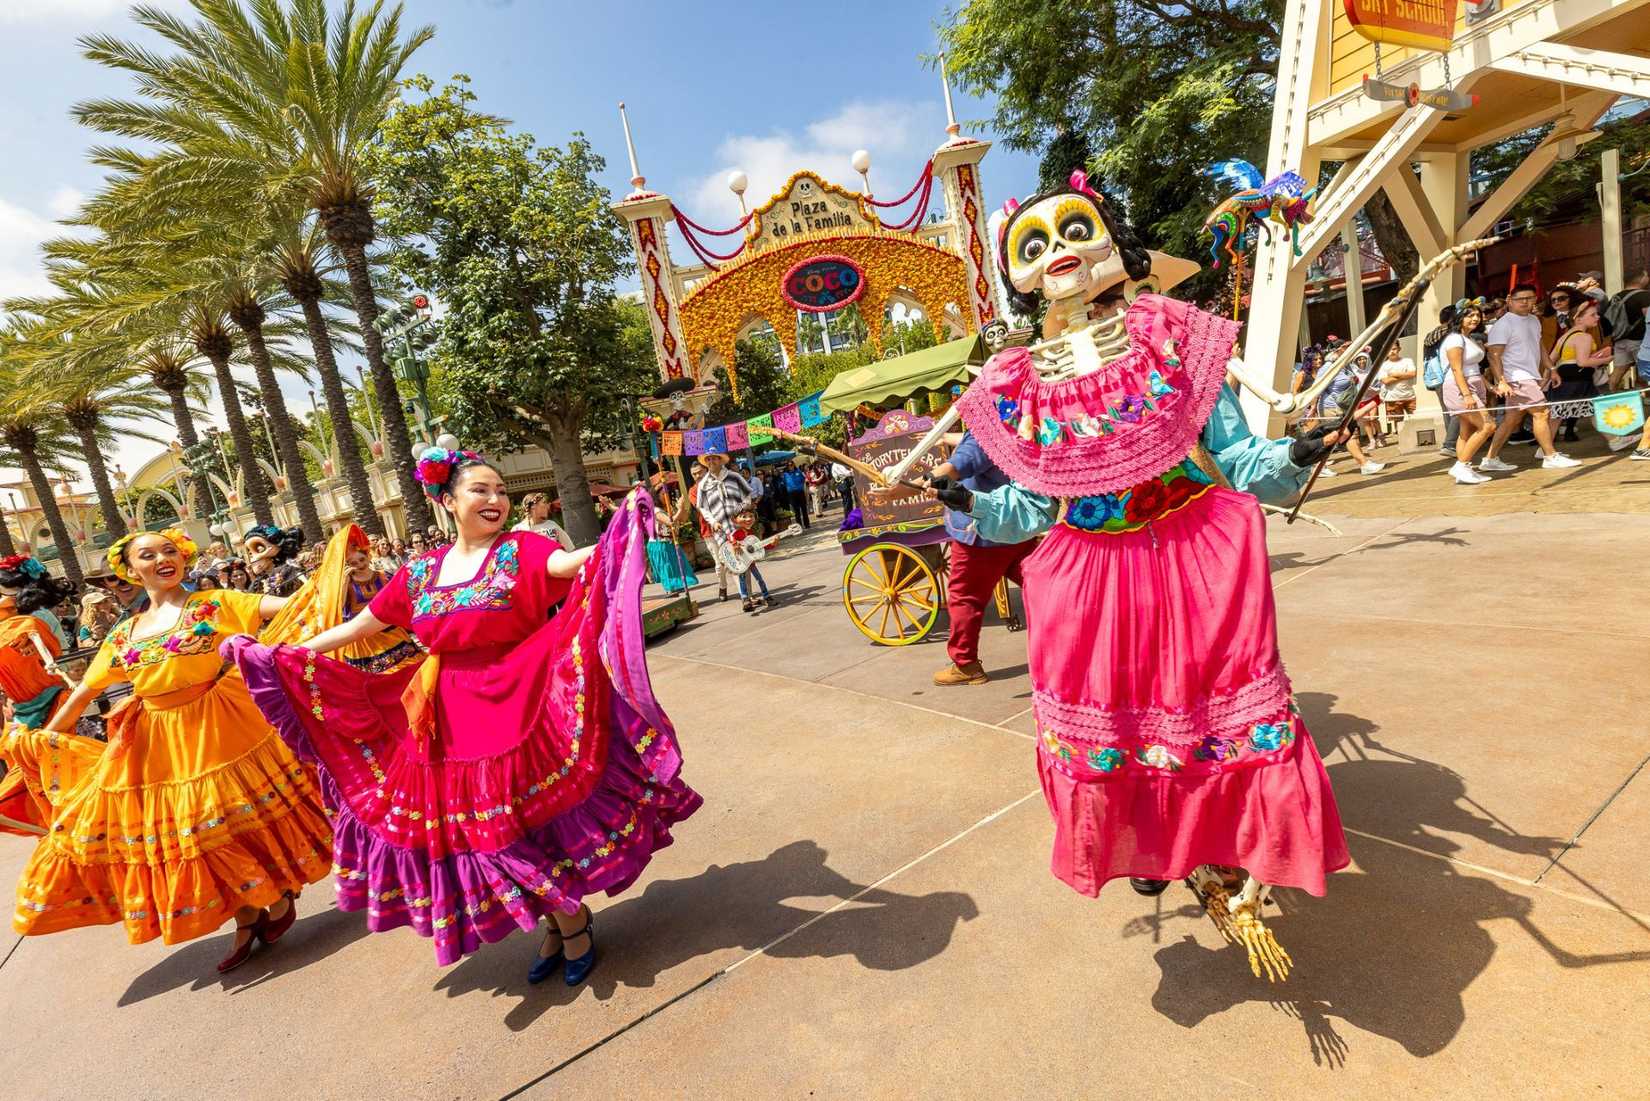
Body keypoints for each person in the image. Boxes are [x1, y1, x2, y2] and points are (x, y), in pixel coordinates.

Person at [927, 172, 1346, 975]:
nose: (1057, 253)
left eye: (1072, 230)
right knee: (1123, 731)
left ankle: (1223, 844)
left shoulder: (1171, 336)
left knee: (1215, 719)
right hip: (1092, 581)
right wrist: (972, 507)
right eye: (1034, 243)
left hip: (1195, 559)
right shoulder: (1025, 379)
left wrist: (1291, 454)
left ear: (1112, 243)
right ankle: (1154, 843)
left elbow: (1233, 453)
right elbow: (1030, 507)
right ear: (1018, 274)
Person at [226, 447, 701, 983]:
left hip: (520, 699)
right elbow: (361, 627)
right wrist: (282, 653)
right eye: (481, 490)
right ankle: (560, 921)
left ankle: (571, 924)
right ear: (448, 501)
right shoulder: (419, 572)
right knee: (483, 832)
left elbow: (570, 564)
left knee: (517, 824)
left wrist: (623, 527)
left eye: (501, 490)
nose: (496, 499)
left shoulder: (522, 549)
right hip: (446, 715)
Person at [0, 528, 331, 973]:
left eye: (169, 550)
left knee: (226, 819)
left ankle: (268, 900)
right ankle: (248, 911)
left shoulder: (215, 603)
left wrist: (334, 572)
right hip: (161, 742)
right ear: (130, 571)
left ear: (184, 557)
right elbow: (84, 694)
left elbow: (294, 607)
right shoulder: (125, 633)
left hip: (222, 725)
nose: (161, 559)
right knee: (195, 832)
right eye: (147, 555)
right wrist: (43, 737)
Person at [927, 431, 1038, 686]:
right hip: (1015, 526)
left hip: (981, 535)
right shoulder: (1010, 422)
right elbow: (973, 446)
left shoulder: (985, 431)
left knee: (964, 598)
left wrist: (922, 481)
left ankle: (966, 664)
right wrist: (946, 436)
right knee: (1043, 586)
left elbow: (964, 460)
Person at [1478, 284, 1581, 471]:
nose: (1525, 302)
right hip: (1516, 378)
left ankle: (1490, 459)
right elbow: (1494, 356)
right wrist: (1502, 381)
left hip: (1527, 376)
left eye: (1530, 298)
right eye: (1520, 299)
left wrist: (1551, 368)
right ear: (1510, 300)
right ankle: (1550, 456)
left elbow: (1539, 346)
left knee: (1511, 419)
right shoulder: (1503, 324)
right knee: (1541, 412)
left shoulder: (1534, 320)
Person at [695, 452, 770, 613]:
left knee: (746, 560)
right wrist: (713, 521)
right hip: (721, 529)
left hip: (739, 526)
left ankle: (749, 595)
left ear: (720, 460)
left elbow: (748, 494)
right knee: (733, 562)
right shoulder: (704, 484)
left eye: (714, 458)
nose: (711, 461)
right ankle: (746, 597)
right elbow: (702, 507)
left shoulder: (734, 477)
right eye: (708, 459)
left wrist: (744, 513)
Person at [1440, 305, 1496, 484]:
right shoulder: (1454, 338)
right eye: (1469, 315)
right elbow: (1456, 369)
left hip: (1474, 384)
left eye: (1477, 315)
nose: (1475, 318)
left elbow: (1475, 369)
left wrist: (1489, 387)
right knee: (1488, 426)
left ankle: (1465, 470)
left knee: (1466, 432)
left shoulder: (1468, 338)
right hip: (1460, 387)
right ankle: (1461, 465)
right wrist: (1466, 394)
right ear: (1459, 318)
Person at [1547, 297, 1612, 444]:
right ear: (1578, 319)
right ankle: (1615, 440)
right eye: (1592, 315)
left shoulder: (1564, 337)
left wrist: (1550, 375)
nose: (1597, 317)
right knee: (1592, 410)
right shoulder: (1584, 337)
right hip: (1576, 380)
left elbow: (1551, 359)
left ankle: (1615, 440)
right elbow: (1583, 361)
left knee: (1558, 416)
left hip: (1567, 380)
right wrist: (1605, 360)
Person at [1423, 305, 1461, 457]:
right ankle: (1450, 444)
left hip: (1435, 377)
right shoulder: (1451, 334)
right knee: (1459, 411)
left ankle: (1452, 444)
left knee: (1448, 411)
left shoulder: (1430, 335)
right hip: (1449, 376)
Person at [1605, 268, 1650, 390]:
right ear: (1641, 278)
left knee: (1618, 371)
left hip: (1620, 341)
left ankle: (1610, 398)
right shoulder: (1645, 295)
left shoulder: (1616, 297)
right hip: (1640, 341)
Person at [243, 524, 308, 596]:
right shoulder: (257, 584)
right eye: (250, 553)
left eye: (259, 549)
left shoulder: (291, 572)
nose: (253, 558)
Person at [1379, 341, 1417, 429]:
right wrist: (1404, 375)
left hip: (1409, 396)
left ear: (1399, 349)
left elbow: (1412, 374)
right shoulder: (1383, 365)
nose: (1392, 352)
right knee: (1398, 426)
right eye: (1389, 350)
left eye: (1394, 349)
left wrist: (1393, 374)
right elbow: (1386, 381)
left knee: (1416, 421)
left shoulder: (1407, 361)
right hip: (1392, 398)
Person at [781, 462, 810, 530]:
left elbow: (803, 480)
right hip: (792, 494)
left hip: (800, 492)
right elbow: (784, 483)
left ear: (794, 465)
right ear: (787, 467)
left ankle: (807, 524)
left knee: (804, 509)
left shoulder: (798, 472)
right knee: (796, 511)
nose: (790, 466)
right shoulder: (785, 474)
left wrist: (799, 486)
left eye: (791, 465)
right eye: (789, 465)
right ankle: (799, 525)